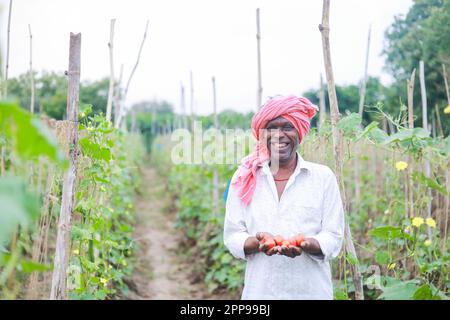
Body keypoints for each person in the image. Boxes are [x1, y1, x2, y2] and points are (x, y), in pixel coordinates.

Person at [223, 95, 344, 300]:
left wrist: (308, 244)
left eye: (287, 127)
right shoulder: (245, 177)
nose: (279, 135)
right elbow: (233, 234)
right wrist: (255, 243)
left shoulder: (322, 177)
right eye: (271, 128)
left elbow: (333, 236)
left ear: (299, 131)